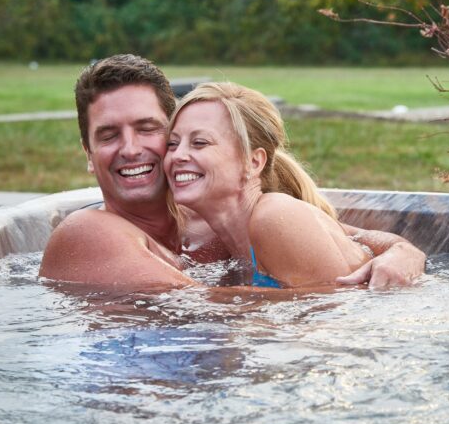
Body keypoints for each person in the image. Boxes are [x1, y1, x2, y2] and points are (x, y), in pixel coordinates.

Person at [39, 54, 425, 289]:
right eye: (108, 135)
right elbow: (200, 308)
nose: (131, 148)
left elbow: (365, 243)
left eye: (147, 129)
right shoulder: (88, 234)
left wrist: (405, 252)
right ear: (88, 154)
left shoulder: (227, 218)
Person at [166, 81, 369, 288]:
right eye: (172, 144)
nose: (177, 155)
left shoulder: (275, 215)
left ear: (253, 162)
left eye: (200, 143)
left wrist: (204, 297)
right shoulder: (227, 237)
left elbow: (334, 309)